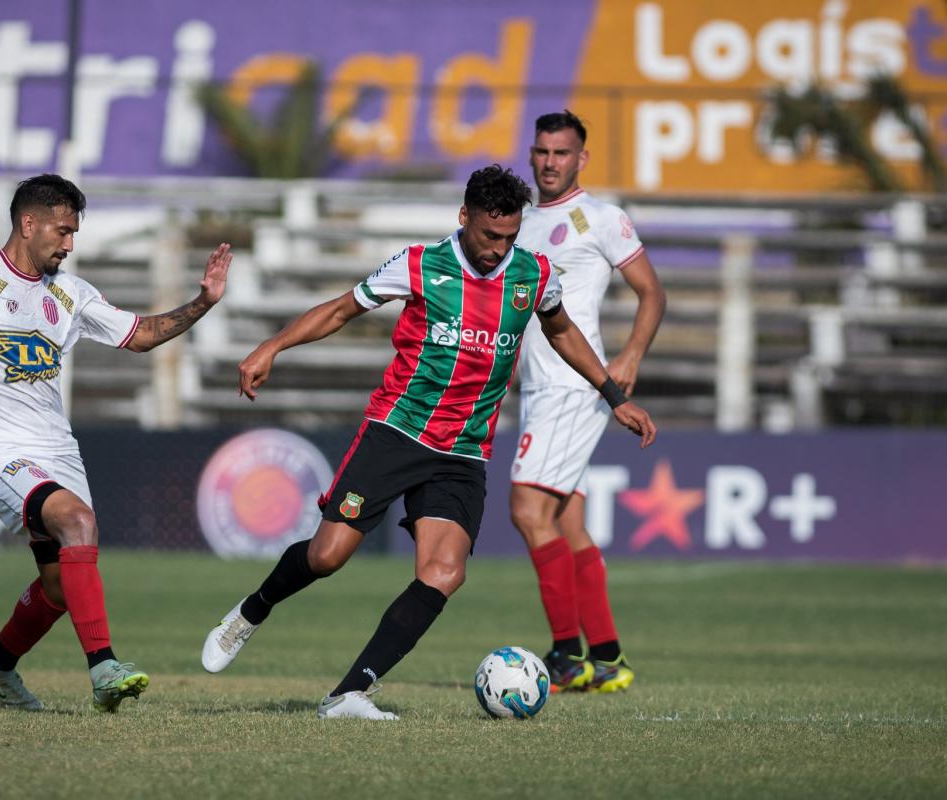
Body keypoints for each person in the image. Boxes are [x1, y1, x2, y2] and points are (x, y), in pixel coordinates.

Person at [200, 165, 656, 720]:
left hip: (463, 451)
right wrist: (271, 346)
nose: (499, 249)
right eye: (490, 236)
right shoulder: (421, 265)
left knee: (445, 571)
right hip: (398, 431)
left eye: (510, 237)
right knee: (326, 556)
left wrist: (613, 395)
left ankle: (350, 693)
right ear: (464, 218)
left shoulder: (533, 274)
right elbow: (343, 309)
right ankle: (252, 610)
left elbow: (561, 331)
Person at [0, 174, 233, 713]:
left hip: (57, 450)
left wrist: (202, 302)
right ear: (28, 223)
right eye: (63, 232)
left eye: (74, 234)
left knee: (63, 587)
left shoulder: (70, 291)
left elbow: (139, 335)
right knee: (78, 522)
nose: (69, 244)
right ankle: (105, 668)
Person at [509, 111, 666, 693]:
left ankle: (565, 656)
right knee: (565, 522)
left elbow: (652, 291)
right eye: (542, 151)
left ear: (582, 159)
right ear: (532, 155)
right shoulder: (519, 223)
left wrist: (631, 358)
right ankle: (606, 660)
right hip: (538, 389)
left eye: (561, 153)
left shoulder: (601, 218)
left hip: (574, 387)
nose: (550, 162)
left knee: (527, 511)